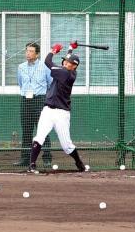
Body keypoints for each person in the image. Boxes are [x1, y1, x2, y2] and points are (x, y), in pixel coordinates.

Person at [27, 45, 89, 174]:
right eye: (65, 61)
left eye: (69, 63)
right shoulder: (66, 69)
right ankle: (32, 164)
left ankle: (79, 162)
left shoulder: (66, 73)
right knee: (39, 137)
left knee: (66, 145)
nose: (66, 63)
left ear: (74, 66)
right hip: (48, 111)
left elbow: (47, 61)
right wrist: (71, 49)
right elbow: (68, 59)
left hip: (62, 113)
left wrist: (52, 51)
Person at [17, 42, 53, 167]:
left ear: (37, 54)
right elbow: (20, 83)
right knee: (26, 130)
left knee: (43, 129)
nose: (28, 53)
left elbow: (50, 84)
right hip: (26, 100)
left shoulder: (44, 67)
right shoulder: (21, 67)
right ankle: (25, 158)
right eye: (27, 51)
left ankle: (47, 157)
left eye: (31, 51)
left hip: (40, 100)